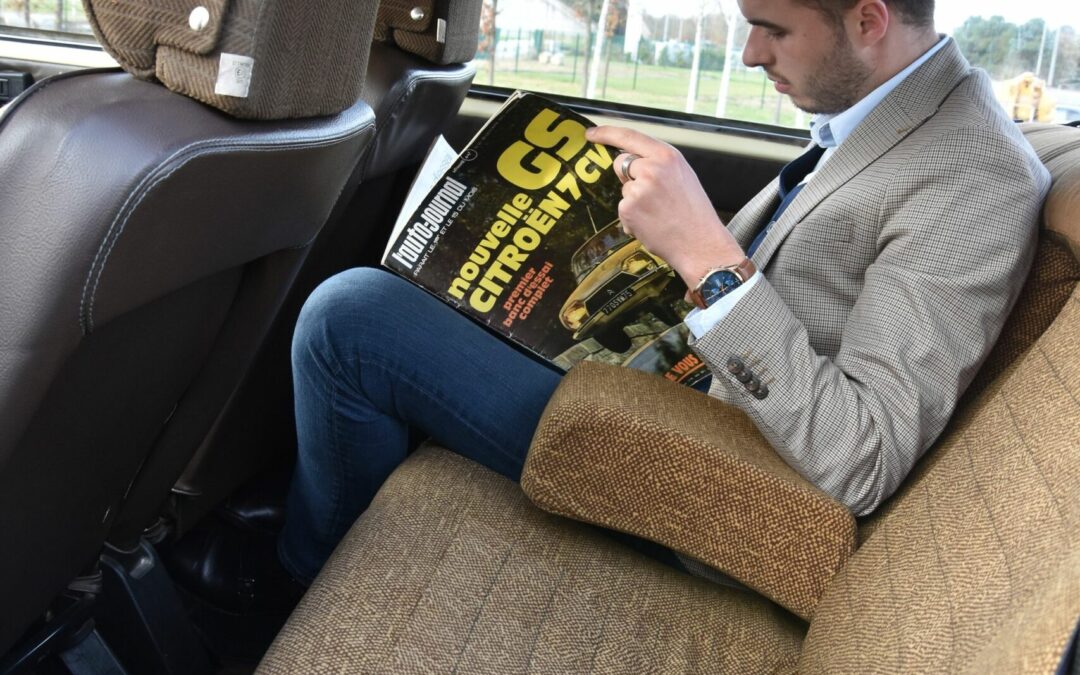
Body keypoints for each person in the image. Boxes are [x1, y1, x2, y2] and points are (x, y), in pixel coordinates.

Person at [275, 0, 1051, 590]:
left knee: (352, 321)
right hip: (683, 389)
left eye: (772, 29)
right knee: (423, 293)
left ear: (869, 21)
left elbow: (864, 456)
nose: (750, 53)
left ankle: (282, 587)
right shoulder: (884, 118)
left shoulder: (972, 176)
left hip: (715, 483)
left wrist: (708, 256)